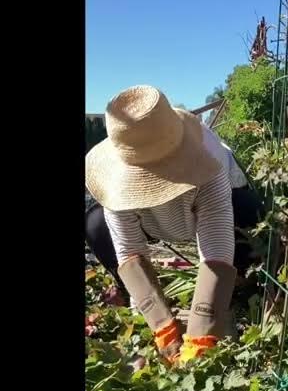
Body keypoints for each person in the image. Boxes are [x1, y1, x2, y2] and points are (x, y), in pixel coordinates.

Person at [85, 85, 262, 364]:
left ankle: (239, 287)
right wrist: (163, 326)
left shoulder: (209, 159)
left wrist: (200, 333)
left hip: (210, 214)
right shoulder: (113, 181)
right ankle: (137, 297)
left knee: (250, 213)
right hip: (154, 223)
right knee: (95, 224)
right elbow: (129, 248)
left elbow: (216, 245)